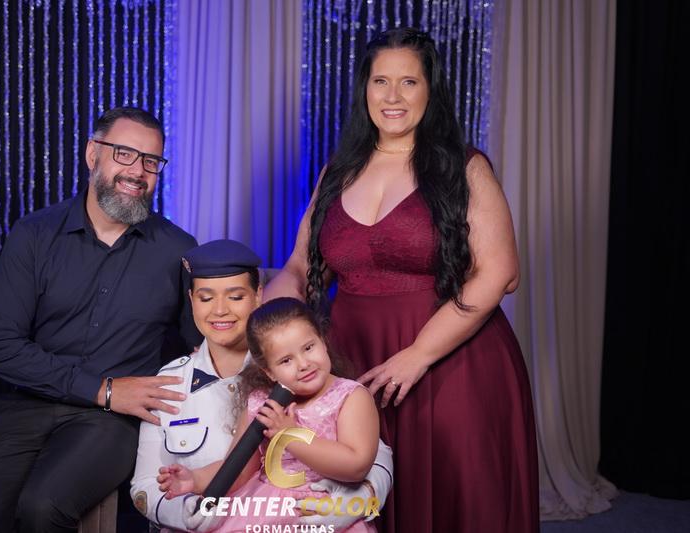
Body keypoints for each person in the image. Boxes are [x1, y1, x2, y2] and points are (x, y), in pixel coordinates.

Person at [264, 28, 539, 533]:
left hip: (451, 363)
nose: (392, 96)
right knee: (358, 499)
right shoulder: (337, 172)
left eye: (409, 82)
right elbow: (299, 266)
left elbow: (502, 272)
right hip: (354, 361)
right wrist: (268, 328)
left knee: (455, 498)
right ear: (364, 90)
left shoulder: (464, 167)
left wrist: (419, 354)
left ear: (430, 91)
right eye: (380, 81)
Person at [0, 107, 202, 533]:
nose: (137, 171)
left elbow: (201, 344)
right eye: (124, 154)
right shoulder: (34, 234)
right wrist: (103, 389)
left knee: (42, 506)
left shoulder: (177, 249)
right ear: (93, 154)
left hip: (114, 422)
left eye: (151, 161)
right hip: (29, 405)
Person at [131, 240, 393, 532]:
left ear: (258, 295)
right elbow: (236, 468)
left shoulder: (344, 392)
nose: (220, 310)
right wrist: (194, 483)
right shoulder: (176, 382)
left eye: (235, 296)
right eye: (206, 298)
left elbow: (369, 457)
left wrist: (364, 496)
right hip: (256, 513)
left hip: (320, 510)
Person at [158, 297, 381, 532]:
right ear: (269, 371)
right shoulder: (262, 403)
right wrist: (195, 479)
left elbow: (356, 465)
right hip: (265, 512)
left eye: (308, 348)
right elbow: (239, 469)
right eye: (286, 360)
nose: (303, 364)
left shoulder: (350, 397)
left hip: (325, 511)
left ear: (323, 341)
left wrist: (290, 436)